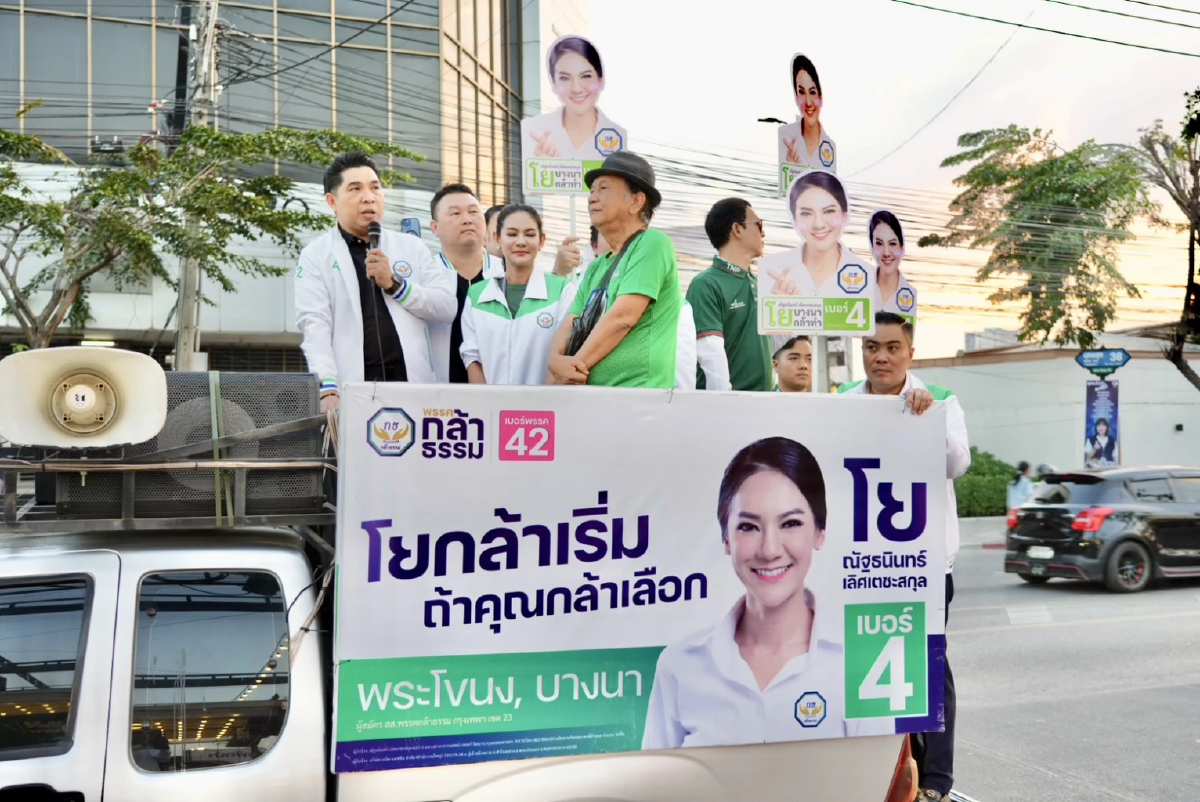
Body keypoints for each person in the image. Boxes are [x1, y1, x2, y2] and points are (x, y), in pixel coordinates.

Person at [642, 437, 893, 749]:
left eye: (790, 523)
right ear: (726, 539)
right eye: (748, 527)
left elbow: (879, 786)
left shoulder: (865, 661)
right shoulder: (679, 666)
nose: (770, 550)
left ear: (819, 532)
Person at [837, 312, 971, 802]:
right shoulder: (843, 403)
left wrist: (928, 416)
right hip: (862, 563)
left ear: (910, 352)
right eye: (872, 347)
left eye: (892, 347)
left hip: (926, 566)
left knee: (930, 667)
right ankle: (891, 773)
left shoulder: (940, 400)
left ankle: (936, 780)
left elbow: (958, 463)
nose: (881, 357)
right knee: (870, 665)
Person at [295, 152, 456, 412]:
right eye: (355, 189)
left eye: (375, 188)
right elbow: (315, 326)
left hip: (411, 388)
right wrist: (327, 386)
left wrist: (396, 285)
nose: (369, 197)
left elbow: (447, 307)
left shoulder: (411, 246)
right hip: (354, 391)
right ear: (332, 201)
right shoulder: (316, 255)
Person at [547, 152, 681, 388]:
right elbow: (570, 322)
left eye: (603, 189)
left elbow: (623, 318)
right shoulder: (597, 266)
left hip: (635, 400)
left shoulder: (652, 243)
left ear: (636, 201)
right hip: (595, 399)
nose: (592, 198)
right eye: (591, 191)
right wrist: (555, 360)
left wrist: (572, 368)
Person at [458, 205, 575, 386]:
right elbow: (472, 357)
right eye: (512, 234)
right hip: (492, 409)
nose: (521, 242)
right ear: (497, 238)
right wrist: (486, 403)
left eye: (530, 234)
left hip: (545, 407)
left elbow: (565, 354)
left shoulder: (562, 291)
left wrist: (537, 406)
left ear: (542, 241)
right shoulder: (477, 295)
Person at [688, 198, 774, 392]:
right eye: (758, 224)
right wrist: (725, 404)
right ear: (737, 229)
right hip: (729, 408)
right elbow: (710, 353)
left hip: (765, 405)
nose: (763, 232)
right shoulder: (706, 284)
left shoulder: (761, 284)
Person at [427, 183, 504, 384]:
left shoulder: (506, 273)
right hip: (438, 396)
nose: (467, 219)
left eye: (473, 212)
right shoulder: (425, 276)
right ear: (435, 228)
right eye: (455, 214)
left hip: (499, 393)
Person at [759, 171, 875, 303]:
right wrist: (778, 310)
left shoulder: (868, 275)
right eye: (806, 214)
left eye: (829, 211)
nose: (818, 224)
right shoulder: (773, 270)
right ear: (795, 220)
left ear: (845, 215)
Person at [521, 36, 627, 161]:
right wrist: (541, 169)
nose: (576, 89)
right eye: (565, 78)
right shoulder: (533, 130)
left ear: (601, 81)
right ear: (554, 85)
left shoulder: (617, 136)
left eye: (586, 76)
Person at [777, 54, 836, 174]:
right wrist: (790, 171)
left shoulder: (829, 147)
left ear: (821, 97)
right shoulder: (786, 136)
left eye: (813, 92)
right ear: (796, 97)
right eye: (802, 92)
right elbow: (784, 191)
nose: (808, 102)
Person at [869, 210, 918, 319]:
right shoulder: (859, 288)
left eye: (892, 244)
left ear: (902, 248)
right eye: (879, 243)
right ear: (872, 247)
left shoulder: (911, 294)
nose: (886, 253)